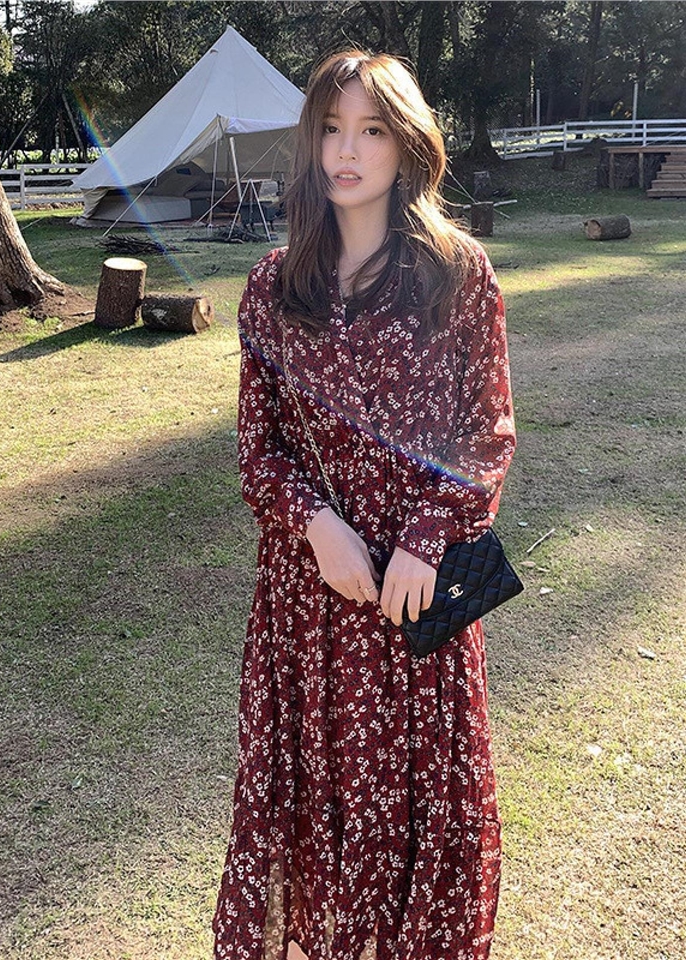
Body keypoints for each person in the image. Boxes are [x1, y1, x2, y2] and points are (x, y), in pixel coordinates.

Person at [212, 48, 516, 960]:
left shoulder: (457, 273)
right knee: (316, 804)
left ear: (407, 142)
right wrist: (316, 527)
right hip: (307, 602)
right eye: (332, 129)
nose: (347, 151)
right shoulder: (273, 286)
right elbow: (258, 447)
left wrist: (425, 539)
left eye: (371, 130)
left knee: (421, 806)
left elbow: (487, 431)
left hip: (418, 600)